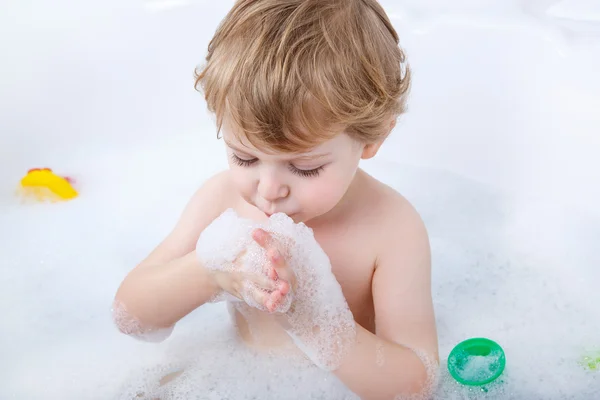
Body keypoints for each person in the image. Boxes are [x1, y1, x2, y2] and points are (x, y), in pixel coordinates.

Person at [114, 0, 439, 398]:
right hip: (234, 378)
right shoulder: (222, 199)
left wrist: (318, 322)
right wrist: (210, 273)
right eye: (244, 157)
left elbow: (418, 384)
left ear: (372, 139)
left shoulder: (391, 229)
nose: (267, 189)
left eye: (304, 168)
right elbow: (131, 315)